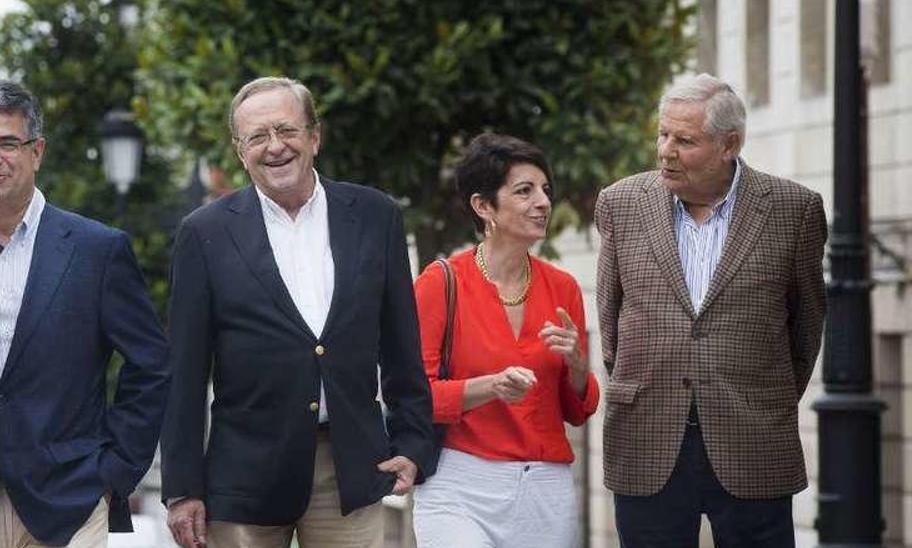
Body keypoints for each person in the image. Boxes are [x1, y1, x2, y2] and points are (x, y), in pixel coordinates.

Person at [160, 76, 435, 548]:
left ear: (314, 136)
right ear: (238, 150)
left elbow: (401, 344)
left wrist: (412, 443)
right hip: (244, 475)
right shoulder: (203, 233)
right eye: (257, 137)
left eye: (286, 131)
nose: (275, 148)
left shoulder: (376, 215)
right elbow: (184, 372)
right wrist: (182, 488)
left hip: (350, 467)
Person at [0, 81, 170, 548]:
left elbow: (151, 364)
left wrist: (114, 469)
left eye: (7, 143)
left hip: (72, 501)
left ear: (36, 151)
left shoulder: (97, 249)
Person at [596, 73, 827, 547]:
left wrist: (762, 397)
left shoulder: (794, 210)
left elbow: (806, 329)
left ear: (730, 145)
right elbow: (611, 319)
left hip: (753, 441)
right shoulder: (620, 204)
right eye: (662, 134)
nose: (665, 150)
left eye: (684, 140)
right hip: (647, 439)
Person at [410, 133, 599, 548]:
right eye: (524, 191)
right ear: (483, 206)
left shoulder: (563, 288)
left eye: (546, 190)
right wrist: (489, 387)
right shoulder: (440, 283)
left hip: (545, 489)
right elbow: (416, 395)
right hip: (460, 484)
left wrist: (579, 369)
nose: (543, 202)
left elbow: (576, 411)